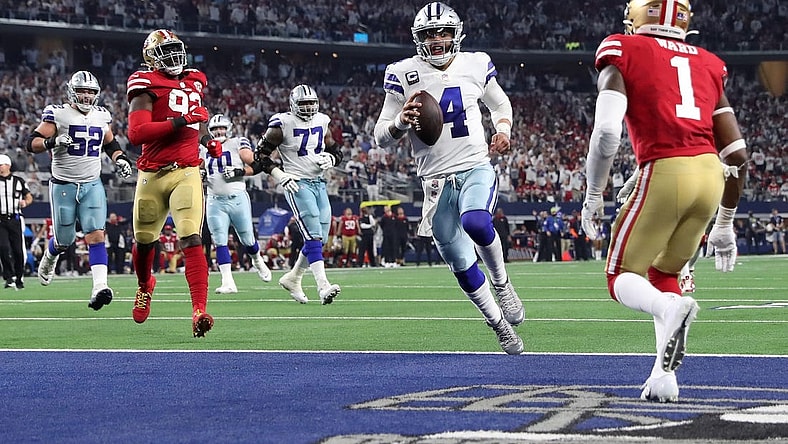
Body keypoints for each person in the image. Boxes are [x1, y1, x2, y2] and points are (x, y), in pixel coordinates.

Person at [581, 0, 748, 403]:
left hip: (666, 169)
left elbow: (606, 133)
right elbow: (738, 154)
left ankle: (667, 309)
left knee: (620, 275)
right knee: (664, 273)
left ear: (637, 17)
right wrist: (724, 225)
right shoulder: (708, 62)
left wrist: (592, 193)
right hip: (711, 176)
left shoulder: (623, 47)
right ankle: (664, 378)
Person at [373, 2, 524, 354]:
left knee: (475, 221)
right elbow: (380, 134)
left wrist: (503, 130)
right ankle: (498, 324)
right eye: (429, 33)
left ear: (456, 34)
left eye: (442, 32)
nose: (437, 39)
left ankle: (502, 283)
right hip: (435, 183)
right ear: (418, 38)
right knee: (460, 263)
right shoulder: (402, 72)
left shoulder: (475, 63)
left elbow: (500, 105)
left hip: (474, 165)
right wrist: (399, 123)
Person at [126, 29, 223, 337]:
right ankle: (145, 285)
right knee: (144, 242)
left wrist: (206, 139)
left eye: (176, 49)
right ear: (152, 56)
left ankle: (199, 310)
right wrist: (182, 121)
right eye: (166, 51)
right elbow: (137, 133)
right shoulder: (144, 85)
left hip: (187, 170)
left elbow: (198, 115)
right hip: (152, 173)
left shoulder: (195, 79)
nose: (174, 56)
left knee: (191, 236)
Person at [27, 70, 133, 307]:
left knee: (96, 234)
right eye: (82, 91)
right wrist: (52, 142)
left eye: (90, 91)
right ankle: (51, 254)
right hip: (63, 185)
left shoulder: (101, 116)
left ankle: (100, 287)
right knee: (64, 240)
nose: (86, 96)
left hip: (91, 183)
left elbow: (110, 143)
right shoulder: (58, 114)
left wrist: (120, 159)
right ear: (72, 92)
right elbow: (31, 143)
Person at [253, 84, 343, 305]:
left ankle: (294, 277)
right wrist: (278, 174)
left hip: (319, 182)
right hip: (296, 182)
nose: (308, 107)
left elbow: (335, 150)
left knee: (320, 235)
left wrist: (331, 159)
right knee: (313, 233)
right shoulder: (282, 124)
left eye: (311, 103)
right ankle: (322, 285)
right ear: (293, 104)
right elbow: (260, 154)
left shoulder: (323, 120)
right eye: (304, 104)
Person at [200, 113, 272, 294]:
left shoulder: (238, 142)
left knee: (247, 238)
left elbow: (257, 165)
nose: (219, 131)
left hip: (237, 198)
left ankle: (257, 260)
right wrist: (199, 175)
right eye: (215, 129)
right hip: (215, 200)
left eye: (221, 128)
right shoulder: (203, 148)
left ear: (229, 128)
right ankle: (228, 281)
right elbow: (198, 168)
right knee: (219, 240)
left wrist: (240, 171)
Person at [0, 154, 33, 289]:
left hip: (15, 218)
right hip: (0, 219)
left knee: (18, 251)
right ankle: (8, 276)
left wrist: (25, 202)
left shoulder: (18, 181)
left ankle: (19, 276)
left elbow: (29, 196)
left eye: (1, 164)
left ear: (8, 165)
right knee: (3, 248)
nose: (0, 167)